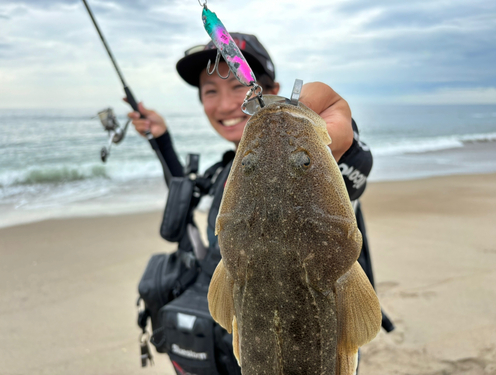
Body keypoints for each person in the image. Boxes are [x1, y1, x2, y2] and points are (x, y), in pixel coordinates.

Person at [129, 33, 378, 374]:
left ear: (269, 88)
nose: (226, 104)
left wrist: (335, 139)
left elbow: (353, 167)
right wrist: (162, 141)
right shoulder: (223, 173)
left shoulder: (330, 163)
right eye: (210, 91)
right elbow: (184, 201)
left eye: (236, 86)